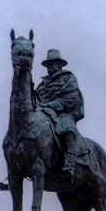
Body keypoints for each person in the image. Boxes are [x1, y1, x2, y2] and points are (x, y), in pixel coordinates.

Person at [33, 48, 85, 182]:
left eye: (54, 63)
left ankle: (69, 164)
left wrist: (47, 105)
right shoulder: (41, 84)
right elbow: (36, 100)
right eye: (48, 64)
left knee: (68, 128)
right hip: (42, 113)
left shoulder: (68, 78)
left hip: (62, 113)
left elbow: (70, 98)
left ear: (60, 64)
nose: (51, 66)